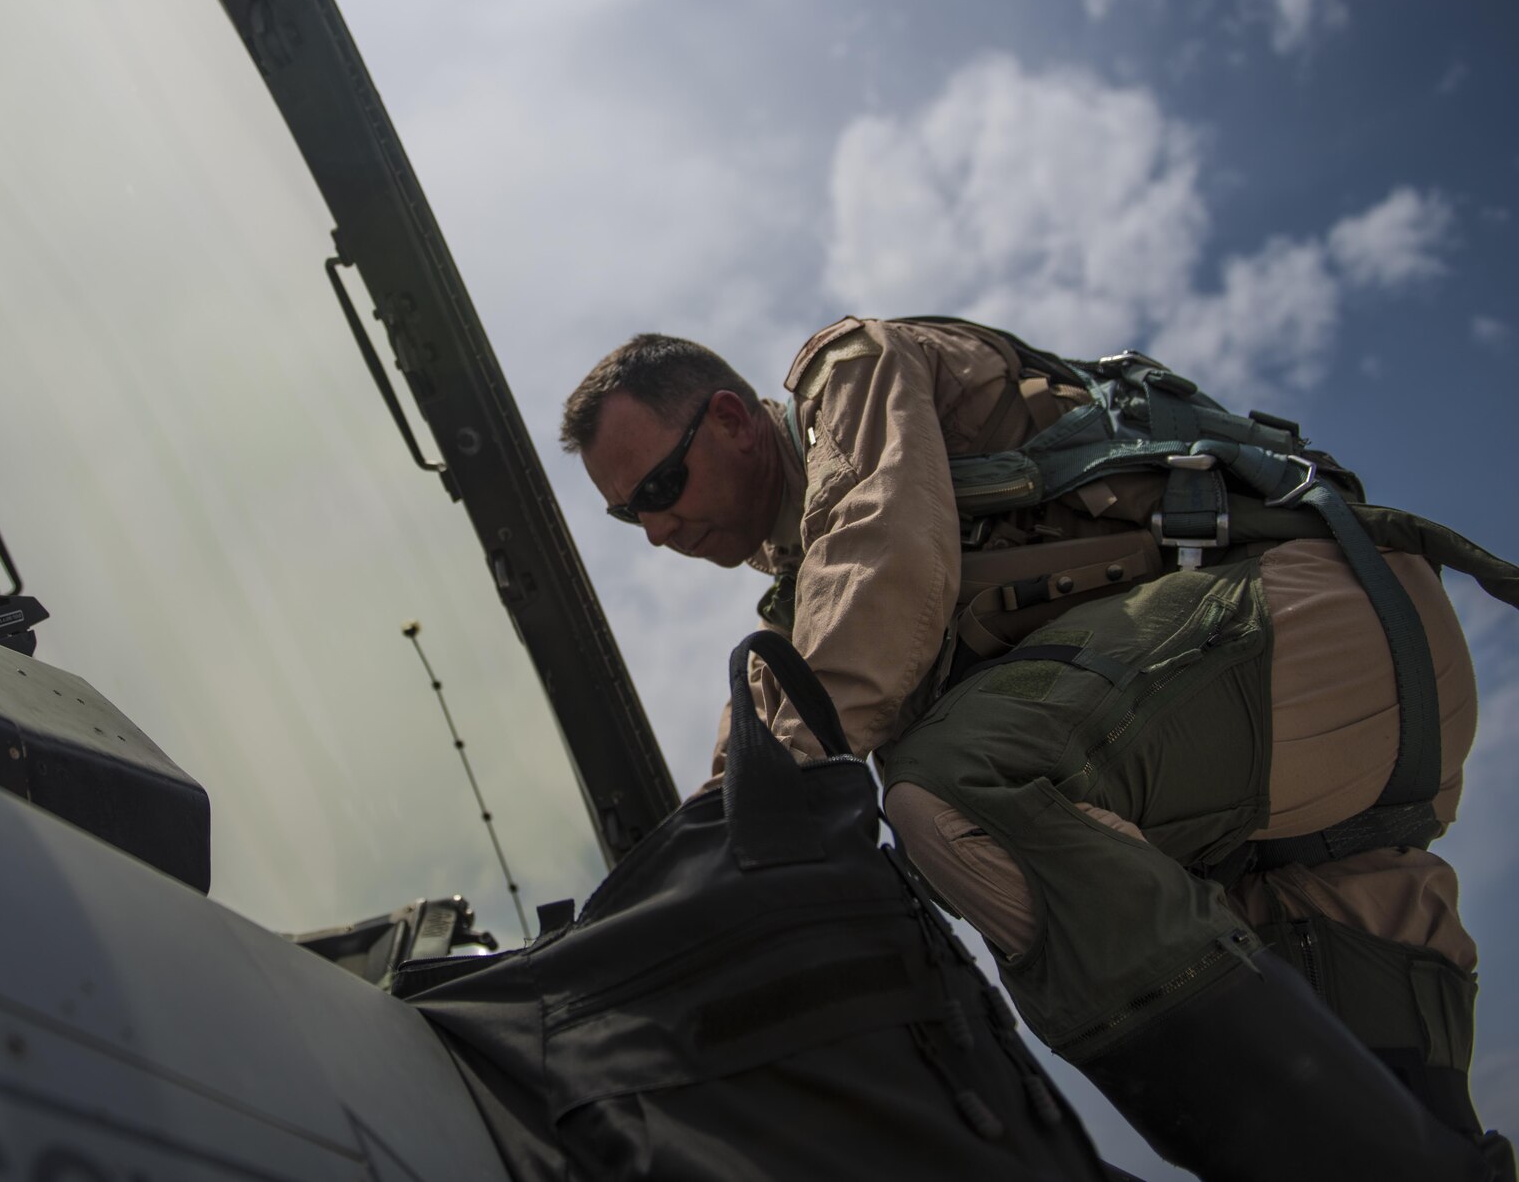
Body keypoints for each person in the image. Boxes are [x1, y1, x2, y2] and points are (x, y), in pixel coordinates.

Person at [562, 317, 1516, 1181]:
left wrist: (729, 861)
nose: (654, 529)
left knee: (961, 790)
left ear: (731, 418)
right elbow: (758, 742)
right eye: (626, 514)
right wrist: (675, 882)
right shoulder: (801, 610)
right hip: (1311, 790)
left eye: (658, 485)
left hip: (1308, 624)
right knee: (1382, 1125)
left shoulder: (847, 374)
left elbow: (877, 561)